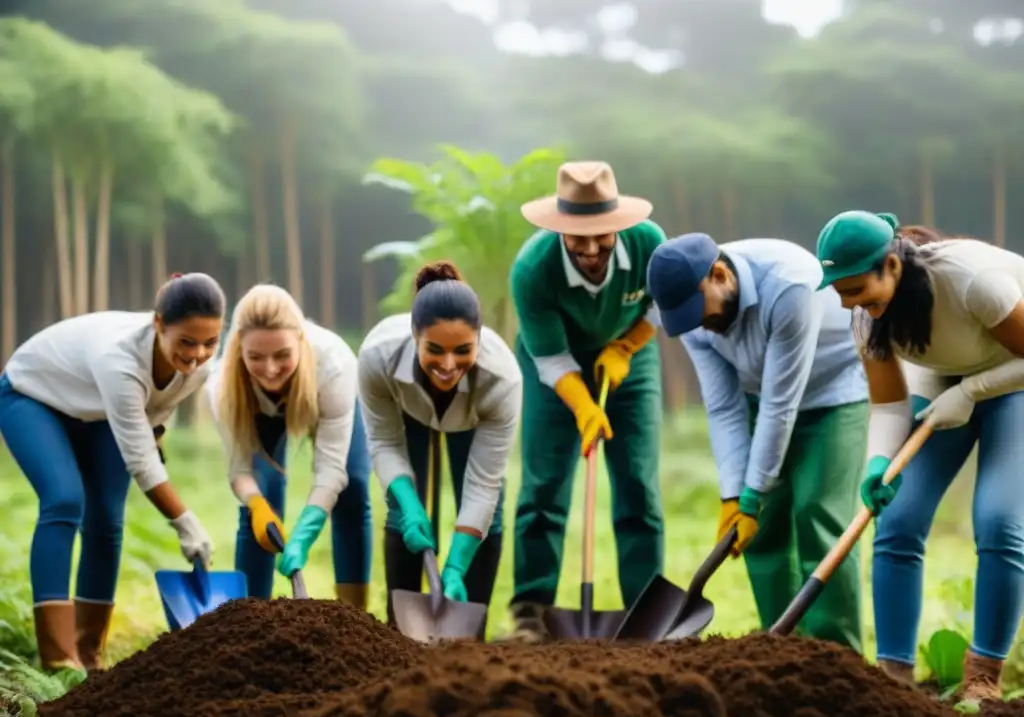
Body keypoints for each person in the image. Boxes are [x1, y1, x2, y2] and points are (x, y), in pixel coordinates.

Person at [815, 210, 1024, 701]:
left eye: (857, 289)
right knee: (898, 520)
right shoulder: (866, 320)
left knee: (998, 521)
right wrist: (876, 464)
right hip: (945, 384)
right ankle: (894, 680)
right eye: (840, 293)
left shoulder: (972, 282)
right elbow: (888, 404)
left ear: (891, 266)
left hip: (1014, 381)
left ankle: (983, 677)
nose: (851, 305)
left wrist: (973, 390)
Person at [646, 233, 869, 651]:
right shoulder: (690, 317)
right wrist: (734, 495)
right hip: (758, 398)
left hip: (831, 393)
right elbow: (724, 407)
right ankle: (780, 654)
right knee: (762, 531)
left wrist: (752, 494)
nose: (700, 325)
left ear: (719, 274)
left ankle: (839, 660)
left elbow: (780, 403)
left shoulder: (789, 285)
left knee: (818, 516)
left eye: (700, 310)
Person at [0, 273, 225, 672]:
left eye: (210, 342)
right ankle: (57, 660)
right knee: (66, 499)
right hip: (33, 396)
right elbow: (140, 459)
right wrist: (184, 520)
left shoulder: (201, 369)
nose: (197, 355)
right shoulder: (119, 359)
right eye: (186, 342)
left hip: (98, 410)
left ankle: (90, 655)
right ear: (159, 324)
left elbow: (155, 415)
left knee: (107, 516)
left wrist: (156, 439)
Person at [506, 160, 667, 641]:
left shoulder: (649, 244)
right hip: (551, 368)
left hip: (629, 363)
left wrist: (625, 348)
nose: (593, 249)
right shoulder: (533, 270)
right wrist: (581, 405)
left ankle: (645, 611)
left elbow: (662, 305)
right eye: (580, 238)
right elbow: (552, 360)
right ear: (560, 228)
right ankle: (531, 610)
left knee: (638, 482)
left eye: (603, 235)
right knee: (543, 485)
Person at [357, 261, 521, 631]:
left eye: (463, 349)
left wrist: (456, 564)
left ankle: (468, 632)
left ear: (480, 337)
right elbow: (383, 441)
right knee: (403, 513)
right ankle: (401, 632)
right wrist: (408, 500)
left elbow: (483, 485)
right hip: (408, 410)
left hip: (473, 415)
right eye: (435, 349)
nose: (448, 364)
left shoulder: (503, 378)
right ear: (414, 335)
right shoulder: (377, 357)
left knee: (485, 513)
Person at [203, 284, 372, 608]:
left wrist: (307, 529)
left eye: (282, 355)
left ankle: (355, 619)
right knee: (262, 501)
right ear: (239, 349)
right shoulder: (222, 385)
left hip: (325, 394)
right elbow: (240, 469)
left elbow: (331, 470)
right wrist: (256, 504)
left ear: (301, 341)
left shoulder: (334, 365)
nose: (269, 369)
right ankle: (251, 621)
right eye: (255, 357)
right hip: (260, 413)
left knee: (353, 486)